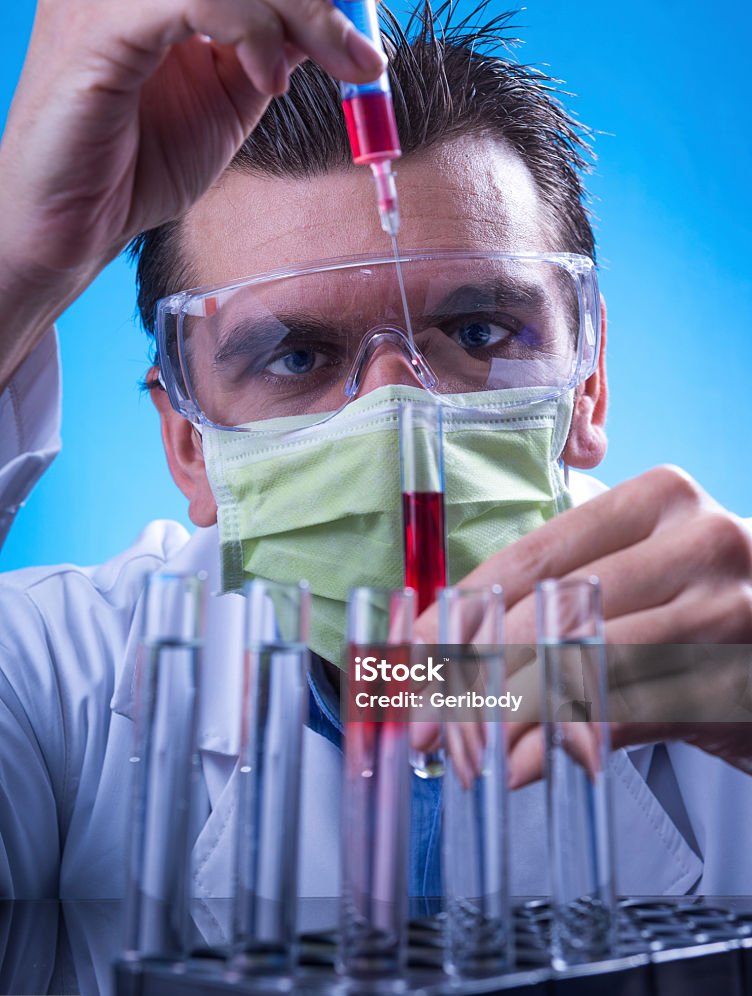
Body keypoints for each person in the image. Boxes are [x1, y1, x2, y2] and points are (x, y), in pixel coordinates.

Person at [1, 0, 751, 907]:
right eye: (298, 357)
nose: (400, 413)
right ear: (188, 444)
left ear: (587, 387)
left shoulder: (723, 670)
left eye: (477, 330)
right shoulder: (51, 685)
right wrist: (19, 260)